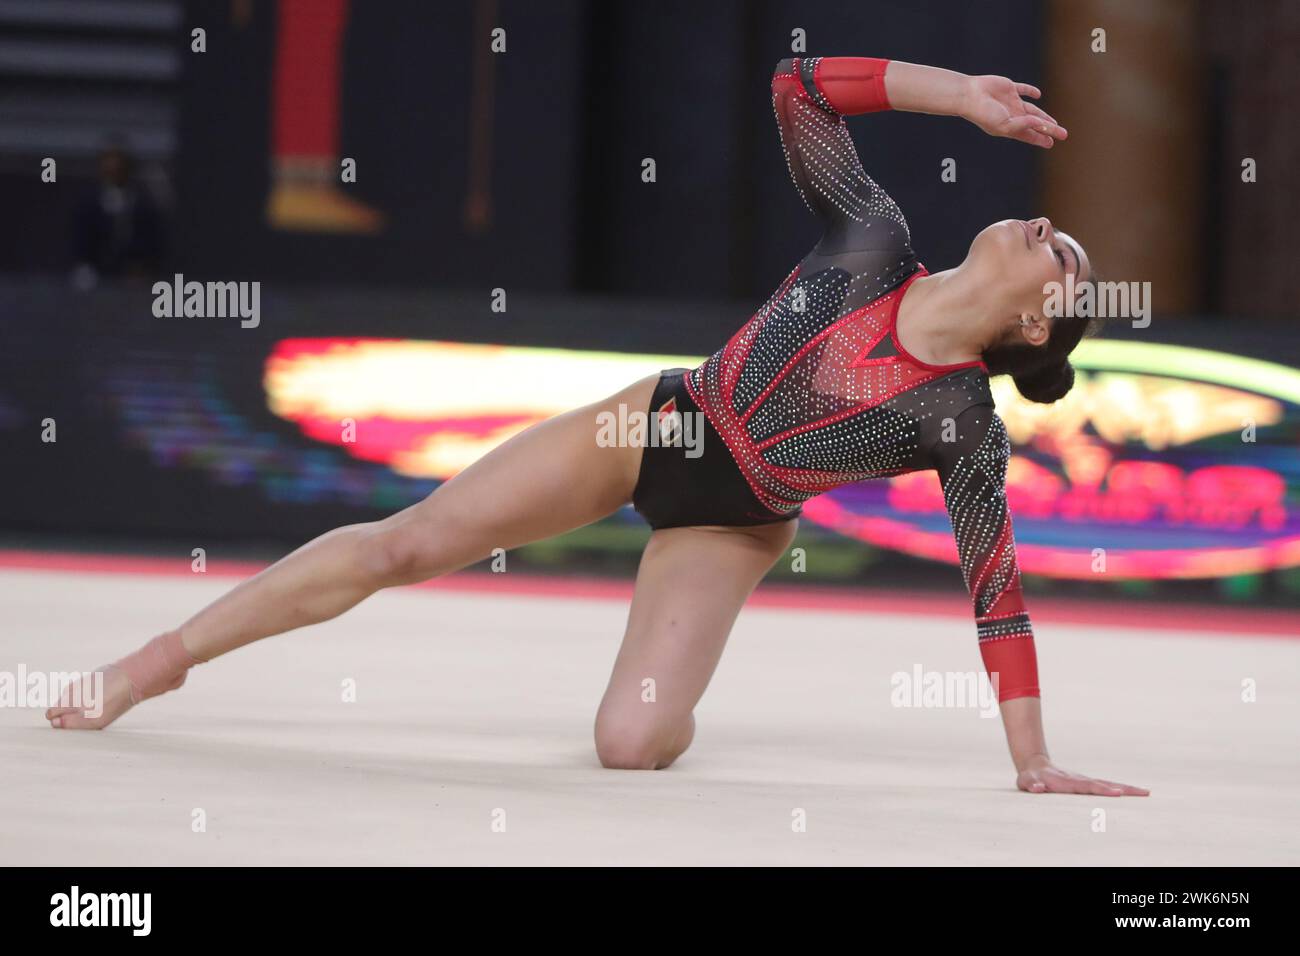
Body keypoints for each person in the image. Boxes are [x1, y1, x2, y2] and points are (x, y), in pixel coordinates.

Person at [48, 55, 1147, 797]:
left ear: (1033, 317)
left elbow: (992, 584)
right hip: (658, 425)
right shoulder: (872, 235)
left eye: (1061, 256)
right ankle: (159, 660)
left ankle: (672, 659)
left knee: (630, 745)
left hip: (734, 520)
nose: (1048, 226)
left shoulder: (958, 416)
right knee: (405, 543)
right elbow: (796, 87)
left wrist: (1032, 757)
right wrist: (958, 95)